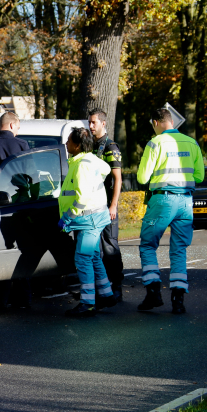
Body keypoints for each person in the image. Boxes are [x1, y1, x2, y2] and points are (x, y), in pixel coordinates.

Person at [136, 107, 205, 314]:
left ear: (156, 122)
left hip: (163, 200)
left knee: (148, 245)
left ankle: (153, 291)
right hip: (185, 201)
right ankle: (178, 299)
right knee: (179, 250)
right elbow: (199, 176)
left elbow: (141, 178)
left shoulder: (155, 143)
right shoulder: (192, 143)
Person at [58, 127, 116, 318]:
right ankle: (106, 295)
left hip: (87, 218)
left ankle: (87, 303)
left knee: (83, 258)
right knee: (92, 257)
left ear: (77, 145)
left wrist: (68, 217)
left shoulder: (82, 164)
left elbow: (81, 198)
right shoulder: (91, 161)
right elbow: (107, 169)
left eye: (68, 141)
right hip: (94, 216)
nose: (66, 144)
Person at [88, 108, 125, 301]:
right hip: (95, 205)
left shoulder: (111, 147)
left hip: (107, 205)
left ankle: (116, 285)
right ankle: (102, 288)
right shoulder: (91, 146)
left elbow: (117, 179)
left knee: (110, 247)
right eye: (90, 122)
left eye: (94, 122)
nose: (91, 126)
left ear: (103, 123)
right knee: (97, 248)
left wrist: (113, 206)